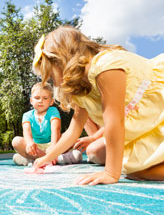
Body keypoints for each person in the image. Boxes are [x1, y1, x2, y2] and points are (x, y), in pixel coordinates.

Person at [32, 25, 164, 185]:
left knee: (128, 170)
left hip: (159, 110)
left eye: (50, 72)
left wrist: (110, 173)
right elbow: (73, 131)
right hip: (149, 122)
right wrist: (47, 158)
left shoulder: (105, 67)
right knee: (137, 171)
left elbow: (114, 121)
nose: (51, 78)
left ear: (60, 60)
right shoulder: (82, 91)